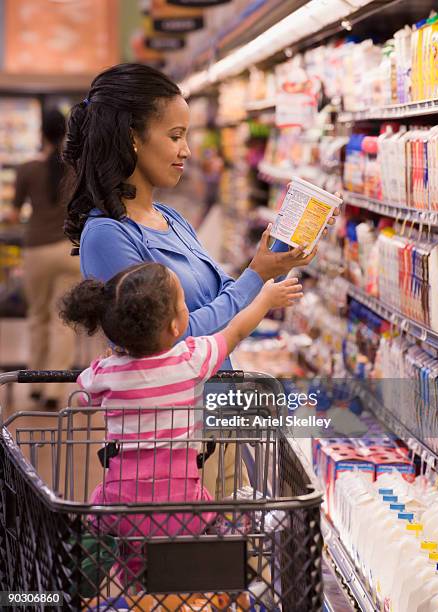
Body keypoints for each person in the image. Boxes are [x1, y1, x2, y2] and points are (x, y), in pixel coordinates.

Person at [63, 62, 339, 494]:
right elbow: (167, 340)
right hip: (173, 447)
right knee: (198, 557)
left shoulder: (170, 219)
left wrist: (265, 266)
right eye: (175, 136)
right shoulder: (108, 235)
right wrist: (255, 280)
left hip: (216, 418)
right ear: (132, 138)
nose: (187, 150)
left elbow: (220, 295)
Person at [59, 260, 303, 584]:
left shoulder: (107, 374)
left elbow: (87, 395)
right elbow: (237, 330)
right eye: (183, 303)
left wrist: (110, 359)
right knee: (232, 508)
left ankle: (92, 572)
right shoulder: (190, 359)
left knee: (119, 545)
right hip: (185, 509)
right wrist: (265, 299)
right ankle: (218, 581)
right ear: (174, 328)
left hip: (121, 510)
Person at [13, 108, 79, 409]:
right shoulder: (75, 168)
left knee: (37, 317)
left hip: (36, 249)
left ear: (41, 134)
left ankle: (35, 384)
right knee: (62, 321)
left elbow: (15, 213)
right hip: (68, 250)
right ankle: (54, 390)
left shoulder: (27, 169)